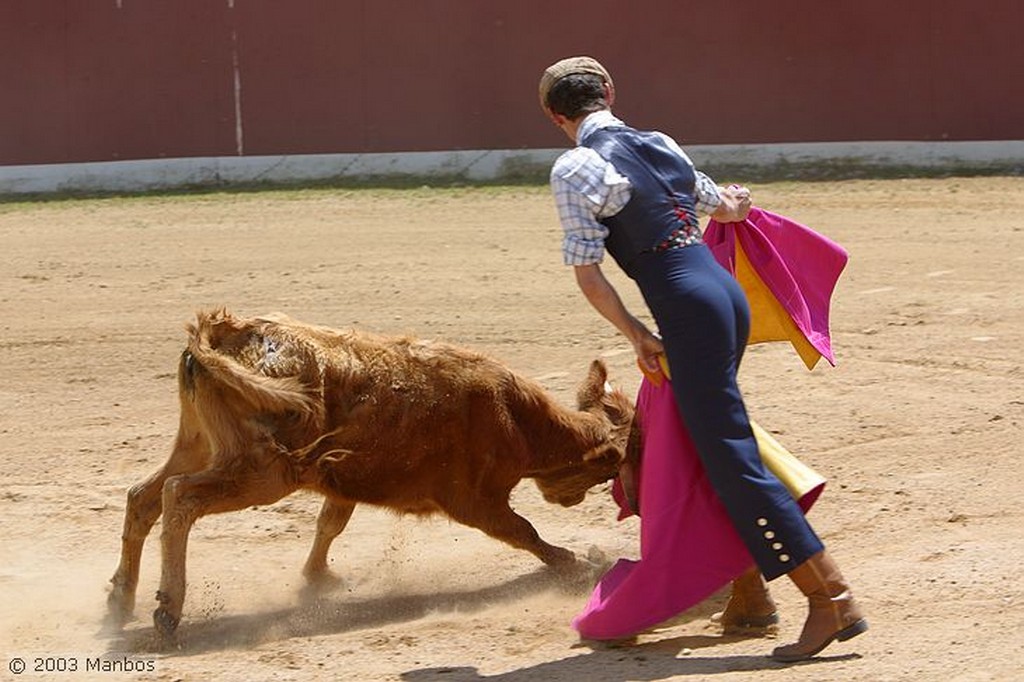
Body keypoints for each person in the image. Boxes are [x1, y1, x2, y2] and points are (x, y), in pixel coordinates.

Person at [538, 56, 867, 661]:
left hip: (686, 309)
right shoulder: (659, 141)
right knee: (709, 442)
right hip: (722, 296)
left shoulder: (574, 166)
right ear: (609, 92)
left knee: (732, 461)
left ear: (557, 117)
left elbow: (590, 274)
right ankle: (752, 592)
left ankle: (832, 598)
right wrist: (739, 201)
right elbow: (725, 207)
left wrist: (636, 332)